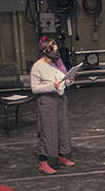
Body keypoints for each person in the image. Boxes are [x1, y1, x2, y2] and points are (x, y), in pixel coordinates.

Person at [30, 36, 74, 175]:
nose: (55, 52)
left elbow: (62, 81)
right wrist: (51, 86)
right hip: (47, 100)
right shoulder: (37, 67)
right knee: (47, 131)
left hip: (60, 99)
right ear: (45, 50)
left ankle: (61, 156)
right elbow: (35, 88)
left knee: (62, 128)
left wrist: (69, 81)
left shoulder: (57, 63)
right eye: (52, 49)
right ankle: (43, 162)